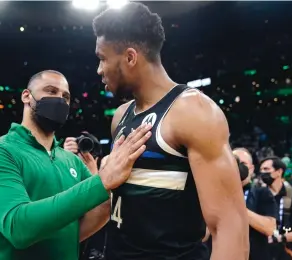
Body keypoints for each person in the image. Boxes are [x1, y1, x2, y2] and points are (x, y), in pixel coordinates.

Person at [92, 3, 249, 260]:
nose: (99, 69)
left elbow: (230, 229)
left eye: (102, 58)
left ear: (131, 57)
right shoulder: (120, 117)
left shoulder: (193, 111)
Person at [0, 70, 152, 260]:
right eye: (50, 91)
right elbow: (18, 228)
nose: (60, 100)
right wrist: (102, 181)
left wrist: (115, 178)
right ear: (26, 96)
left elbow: (79, 227)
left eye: (66, 96)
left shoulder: (72, 161)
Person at [260, 156, 292, 260]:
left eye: (266, 169)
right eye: (261, 170)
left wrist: (283, 238)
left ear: (279, 172)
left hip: (288, 253)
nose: (262, 173)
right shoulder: (256, 196)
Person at [233, 148, 277, 260]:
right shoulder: (216, 194)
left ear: (251, 169)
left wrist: (236, 206)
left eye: (243, 163)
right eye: (233, 162)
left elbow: (269, 228)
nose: (238, 167)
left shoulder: (262, 193)